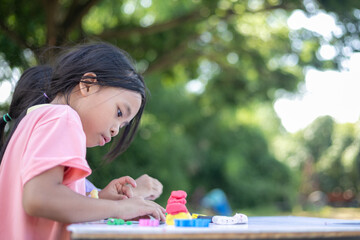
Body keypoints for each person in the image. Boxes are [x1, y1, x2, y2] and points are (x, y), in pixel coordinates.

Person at [0, 42, 165, 240]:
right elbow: (40, 198)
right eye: (119, 113)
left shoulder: (36, 118)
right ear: (87, 85)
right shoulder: (63, 118)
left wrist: (100, 199)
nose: (115, 130)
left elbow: (48, 203)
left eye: (123, 126)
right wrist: (120, 208)